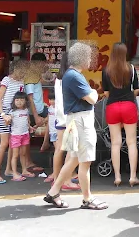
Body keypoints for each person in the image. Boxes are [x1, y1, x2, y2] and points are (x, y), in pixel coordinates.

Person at [44, 42, 107, 210]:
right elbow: (92, 98)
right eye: (88, 57)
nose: (90, 60)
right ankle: (87, 198)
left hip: (73, 121)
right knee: (85, 161)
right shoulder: (75, 76)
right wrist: (93, 92)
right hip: (81, 121)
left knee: (73, 160)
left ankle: (54, 192)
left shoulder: (69, 75)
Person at [102, 42, 139, 187]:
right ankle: (132, 177)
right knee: (131, 142)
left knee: (115, 143)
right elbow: (136, 90)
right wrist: (128, 94)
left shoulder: (106, 70)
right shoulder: (131, 68)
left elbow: (106, 93)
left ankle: (117, 177)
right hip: (128, 106)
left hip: (112, 107)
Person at [45, 52, 80, 190]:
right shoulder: (71, 78)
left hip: (60, 117)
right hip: (70, 117)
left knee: (59, 149)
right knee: (71, 150)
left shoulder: (58, 79)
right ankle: (66, 179)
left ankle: (56, 177)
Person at [0, 63, 26, 184]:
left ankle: (8, 169)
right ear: (14, 69)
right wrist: (3, 114)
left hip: (15, 113)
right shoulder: (6, 80)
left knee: (12, 143)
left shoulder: (22, 82)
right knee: (4, 143)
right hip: (4, 113)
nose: (22, 73)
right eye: (21, 70)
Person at [25, 53, 49, 163]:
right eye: (44, 63)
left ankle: (45, 143)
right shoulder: (30, 77)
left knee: (53, 116)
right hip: (34, 112)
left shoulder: (35, 75)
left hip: (40, 109)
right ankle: (27, 162)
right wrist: (36, 117)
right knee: (25, 140)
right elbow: (30, 99)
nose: (45, 65)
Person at [8, 91, 35, 182]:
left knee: (23, 154)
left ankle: (24, 170)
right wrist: (6, 119)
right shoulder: (12, 112)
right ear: (14, 101)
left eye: (21, 100)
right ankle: (15, 173)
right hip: (15, 136)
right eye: (17, 100)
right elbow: (7, 122)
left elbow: (27, 121)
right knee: (15, 155)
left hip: (25, 134)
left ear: (25, 101)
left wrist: (30, 127)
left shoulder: (26, 111)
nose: (19, 102)